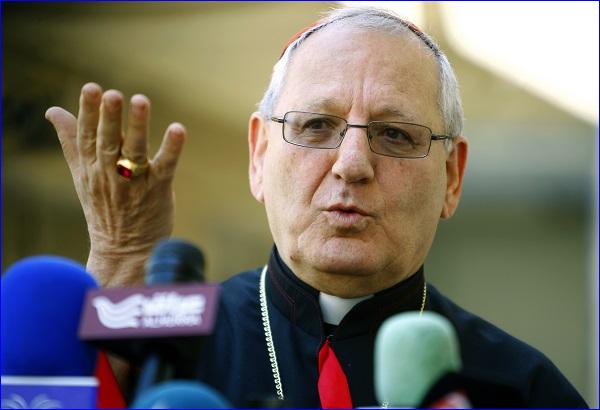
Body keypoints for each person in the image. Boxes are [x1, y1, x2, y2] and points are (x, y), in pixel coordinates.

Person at [45, 7, 587, 408]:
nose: (351, 164)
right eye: (315, 126)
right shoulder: (166, 357)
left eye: (395, 134)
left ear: (451, 176)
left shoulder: (521, 388)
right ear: (259, 155)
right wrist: (117, 269)